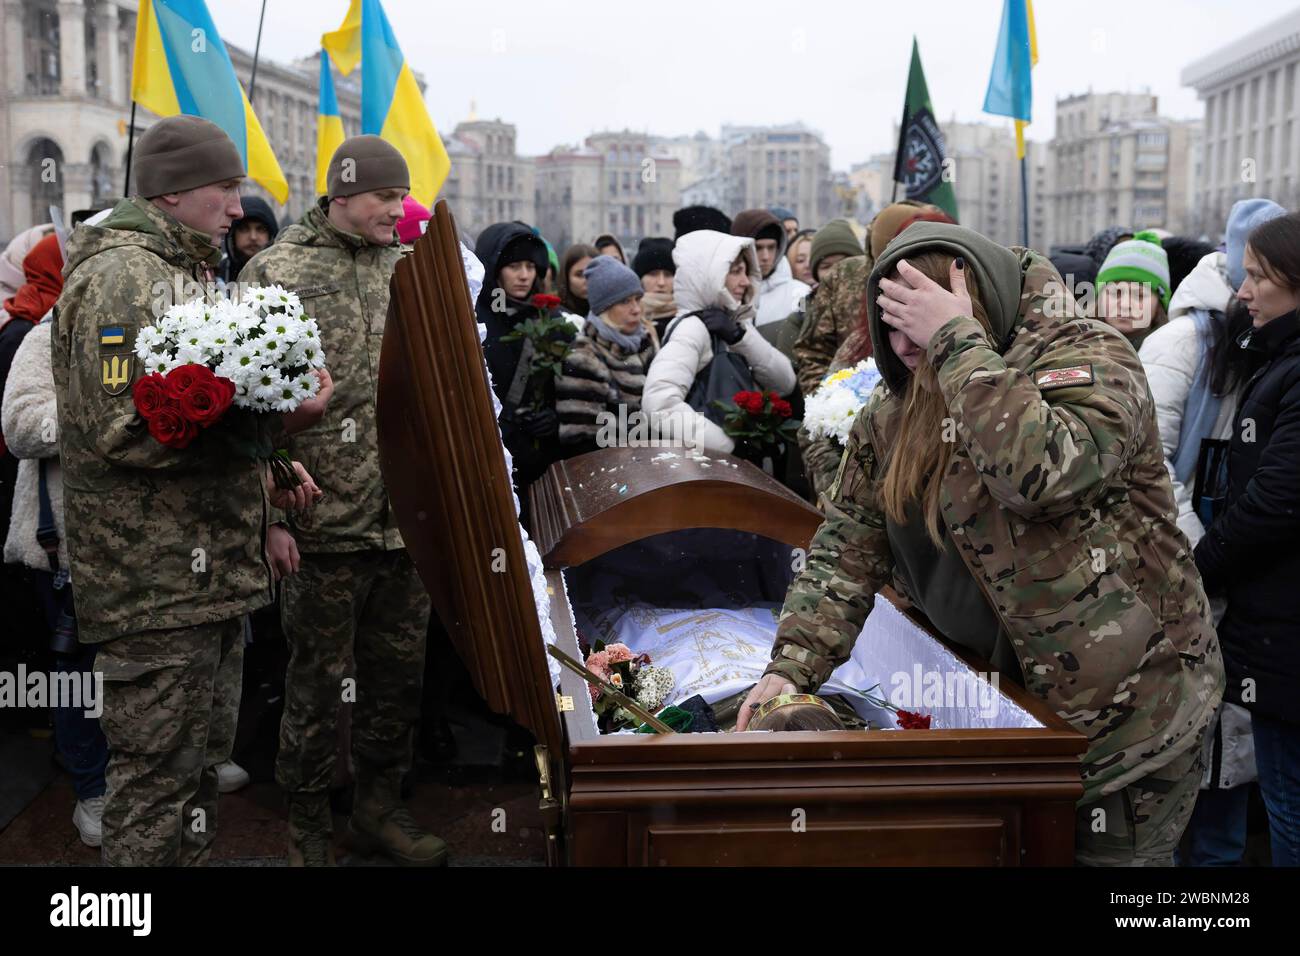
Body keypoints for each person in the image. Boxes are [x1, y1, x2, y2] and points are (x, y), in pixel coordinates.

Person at [740, 221, 1224, 866]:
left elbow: (1044, 477)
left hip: (1128, 717)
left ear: (975, 304)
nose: (904, 344)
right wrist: (791, 669)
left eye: (923, 318)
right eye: (892, 323)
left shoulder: (1088, 356)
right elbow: (847, 548)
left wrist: (956, 342)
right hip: (1005, 718)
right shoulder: (894, 409)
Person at [50, 115, 330, 866]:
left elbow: (216, 406)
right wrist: (275, 425)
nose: (239, 208)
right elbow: (122, 429)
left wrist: (270, 470)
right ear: (173, 192)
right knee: (151, 795)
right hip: (153, 584)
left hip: (202, 576)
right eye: (227, 187)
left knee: (198, 782)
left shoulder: (184, 272)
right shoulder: (121, 280)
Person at [240, 135, 442, 867]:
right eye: (388, 197)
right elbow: (248, 408)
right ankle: (306, 833)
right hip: (320, 519)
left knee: (397, 684)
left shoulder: (415, 271)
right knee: (314, 688)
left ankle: (379, 812)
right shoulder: (278, 270)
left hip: (406, 522)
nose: (400, 209)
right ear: (344, 195)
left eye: (403, 196)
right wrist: (272, 504)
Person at [1140, 198, 1283, 867]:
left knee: (1231, 782)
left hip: (1244, 582)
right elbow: (1146, 460)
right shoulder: (1181, 342)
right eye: (1250, 272)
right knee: (1168, 788)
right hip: (1187, 575)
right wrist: (1199, 547)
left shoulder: (1275, 341)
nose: (1253, 288)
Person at [1194, 211, 1300, 867]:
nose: (1242, 290)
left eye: (1258, 276)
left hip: (1284, 633)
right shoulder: (1281, 357)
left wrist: (1201, 566)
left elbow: (1275, 502)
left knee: (1289, 806)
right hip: (1278, 625)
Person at [3, 313, 109, 847]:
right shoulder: (50, 333)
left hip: (154, 548)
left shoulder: (177, 319)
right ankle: (91, 790)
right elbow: (21, 424)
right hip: (66, 545)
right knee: (78, 675)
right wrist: (119, 411)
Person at [642, 230, 795, 456]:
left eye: (745, 272)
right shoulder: (694, 327)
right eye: (735, 272)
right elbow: (659, 404)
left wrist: (739, 337)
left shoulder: (733, 324)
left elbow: (785, 383)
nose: (745, 281)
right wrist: (728, 446)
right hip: (706, 471)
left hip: (725, 470)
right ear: (709, 276)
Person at [476, 220, 564, 506]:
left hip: (539, 463)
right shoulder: (474, 320)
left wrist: (553, 418)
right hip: (490, 458)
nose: (524, 276)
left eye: (530, 266)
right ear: (493, 269)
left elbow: (566, 383)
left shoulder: (550, 320)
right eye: (514, 267)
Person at [555, 255, 657, 455]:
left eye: (637, 299)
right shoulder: (584, 357)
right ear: (604, 308)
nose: (636, 309)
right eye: (625, 301)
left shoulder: (645, 345)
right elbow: (583, 440)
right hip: (613, 473)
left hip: (650, 467)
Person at [732, 209, 810, 328]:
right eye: (758, 248)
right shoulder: (728, 293)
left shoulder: (801, 293)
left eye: (771, 247)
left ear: (779, 248)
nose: (766, 257)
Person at [1095, 230, 1171, 351]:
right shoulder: (1071, 346)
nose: (1125, 305)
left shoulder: (1173, 352)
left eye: (1139, 295)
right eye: (1116, 293)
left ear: (1159, 304)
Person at [216, 195, 278, 284]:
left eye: (260, 229)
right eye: (244, 229)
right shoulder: (216, 274)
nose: (253, 237)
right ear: (233, 235)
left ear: (271, 235)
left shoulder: (283, 274)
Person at [632, 237, 676, 339]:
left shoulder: (687, 319)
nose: (661, 282)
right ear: (640, 279)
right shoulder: (627, 319)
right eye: (653, 274)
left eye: (668, 275)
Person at [559, 242, 599, 318]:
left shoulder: (611, 311)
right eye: (579, 275)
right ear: (566, 277)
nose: (587, 281)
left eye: (592, 274)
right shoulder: (554, 314)